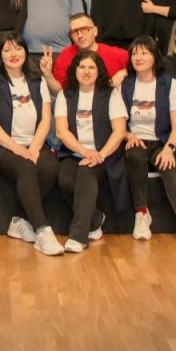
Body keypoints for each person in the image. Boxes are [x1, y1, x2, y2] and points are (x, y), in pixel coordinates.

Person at [0, 33, 63, 256]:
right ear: (0, 55)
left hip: (32, 143)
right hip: (0, 146)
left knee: (50, 167)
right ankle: (42, 230)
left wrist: (34, 148)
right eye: (7, 50)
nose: (13, 54)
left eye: (18, 48)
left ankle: (20, 220)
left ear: (26, 51)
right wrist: (17, 149)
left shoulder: (37, 80)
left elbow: (45, 119)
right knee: (26, 166)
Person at [119, 36, 176, 250]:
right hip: (135, 140)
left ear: (155, 56)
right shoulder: (125, 84)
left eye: (144, 53)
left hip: (163, 140)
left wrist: (169, 148)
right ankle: (142, 214)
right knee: (135, 156)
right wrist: (128, 135)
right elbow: (117, 123)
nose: (138, 57)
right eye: (134, 53)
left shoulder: (169, 84)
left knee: (168, 164)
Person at [55, 50, 128, 253]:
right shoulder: (65, 94)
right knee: (65, 181)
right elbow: (61, 132)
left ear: (99, 71)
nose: (86, 72)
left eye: (91, 67)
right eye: (82, 67)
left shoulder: (111, 94)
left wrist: (100, 155)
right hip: (74, 153)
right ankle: (95, 219)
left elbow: (120, 131)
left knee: (85, 173)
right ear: (75, 69)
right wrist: (85, 152)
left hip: (105, 155)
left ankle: (78, 236)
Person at [42, 13, 129, 95]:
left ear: (95, 31)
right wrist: (48, 74)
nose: (80, 35)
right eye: (74, 32)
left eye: (84, 29)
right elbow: (59, 91)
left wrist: (124, 72)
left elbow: (136, 63)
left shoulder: (116, 54)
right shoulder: (65, 55)